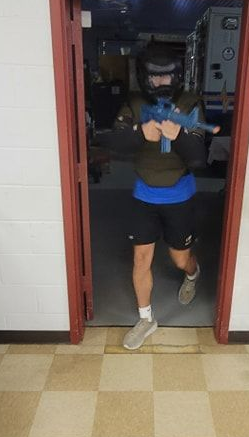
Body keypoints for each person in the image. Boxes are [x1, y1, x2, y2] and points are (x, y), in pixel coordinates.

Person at [104, 44, 211, 350]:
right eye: (154, 78)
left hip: (179, 194)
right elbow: (115, 143)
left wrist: (180, 136)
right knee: (141, 258)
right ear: (144, 77)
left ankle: (193, 273)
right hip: (144, 193)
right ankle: (146, 318)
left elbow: (200, 157)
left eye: (167, 78)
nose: (161, 84)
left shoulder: (191, 102)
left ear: (176, 76)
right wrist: (140, 133)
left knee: (179, 259)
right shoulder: (134, 102)